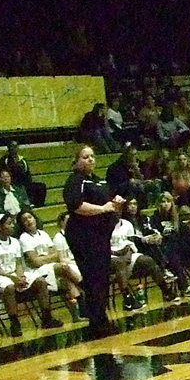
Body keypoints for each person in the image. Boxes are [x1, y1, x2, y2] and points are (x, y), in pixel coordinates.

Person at [63, 144, 125, 338]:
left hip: (100, 235)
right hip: (84, 236)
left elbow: (109, 205)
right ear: (76, 161)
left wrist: (116, 205)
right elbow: (76, 205)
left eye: (92, 156)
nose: (90, 160)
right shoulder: (75, 181)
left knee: (102, 277)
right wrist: (103, 209)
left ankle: (101, 318)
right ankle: (96, 322)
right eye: (85, 157)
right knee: (93, 278)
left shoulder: (99, 181)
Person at [0, 212, 63, 336]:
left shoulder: (14, 242)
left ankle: (47, 318)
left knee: (40, 281)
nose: (13, 225)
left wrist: (20, 276)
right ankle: (14, 323)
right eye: (9, 223)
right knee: (9, 287)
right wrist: (13, 278)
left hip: (14, 273)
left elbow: (19, 263)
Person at [109, 202, 178, 310]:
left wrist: (127, 254)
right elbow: (101, 249)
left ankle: (166, 291)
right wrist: (118, 254)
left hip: (127, 253)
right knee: (120, 263)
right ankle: (128, 299)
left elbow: (131, 243)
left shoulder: (127, 224)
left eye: (118, 211)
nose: (116, 213)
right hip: (111, 257)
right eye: (113, 212)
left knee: (148, 260)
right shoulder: (102, 227)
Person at [17, 209, 83, 322]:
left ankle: (77, 314)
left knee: (66, 280)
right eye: (24, 220)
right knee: (64, 267)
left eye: (30, 217)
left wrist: (43, 258)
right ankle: (85, 286)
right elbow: (35, 262)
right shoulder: (24, 238)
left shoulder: (43, 234)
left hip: (49, 267)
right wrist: (48, 258)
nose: (28, 221)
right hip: (35, 272)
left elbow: (56, 255)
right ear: (21, 224)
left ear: (34, 218)